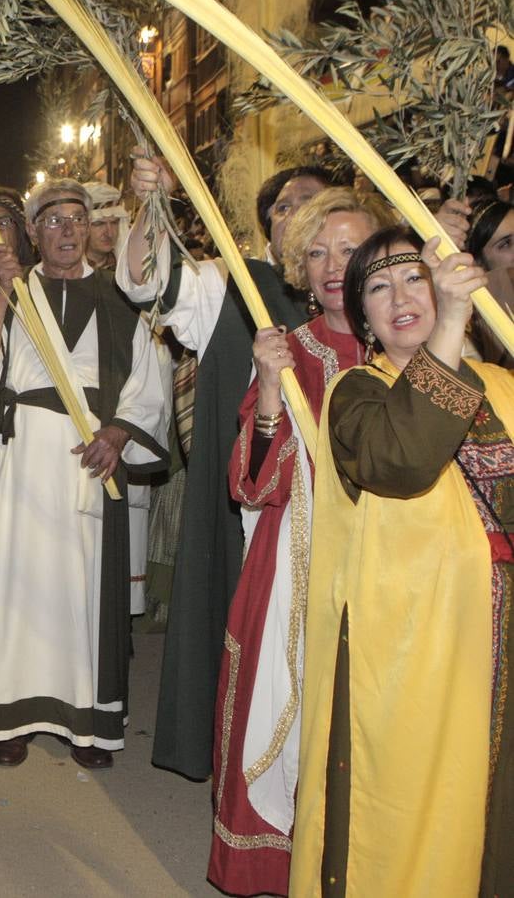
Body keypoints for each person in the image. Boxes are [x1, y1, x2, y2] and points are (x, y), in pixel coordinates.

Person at [292, 226, 513, 896]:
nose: (398, 298)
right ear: (362, 318)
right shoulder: (355, 395)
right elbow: (401, 459)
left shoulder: (503, 385)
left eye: (413, 277)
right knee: (412, 818)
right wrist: (449, 326)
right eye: (376, 289)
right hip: (412, 654)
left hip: (500, 638)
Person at [117, 155, 333, 780]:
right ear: (268, 229)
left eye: (316, 203)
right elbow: (144, 281)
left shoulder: (371, 292)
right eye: (285, 207)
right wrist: (152, 206)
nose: (300, 217)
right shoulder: (233, 283)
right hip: (257, 509)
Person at [206, 188, 391, 896]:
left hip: (393, 571)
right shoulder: (292, 351)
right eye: (314, 252)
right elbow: (249, 485)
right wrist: (270, 387)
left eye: (346, 249)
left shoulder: (411, 342)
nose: (329, 265)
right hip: (297, 569)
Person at [0, 179, 170, 770]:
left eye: (77, 220)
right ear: (32, 234)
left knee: (83, 588)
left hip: (88, 458)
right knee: (15, 587)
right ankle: (9, 718)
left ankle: (85, 721)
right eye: (53, 222)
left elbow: (145, 386)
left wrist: (119, 432)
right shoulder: (9, 292)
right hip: (20, 459)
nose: (68, 231)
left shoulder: (117, 300)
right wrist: (1, 295)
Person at [84, 180, 128, 271]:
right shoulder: (69, 270)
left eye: (114, 223)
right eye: (99, 224)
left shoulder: (126, 270)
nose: (109, 233)